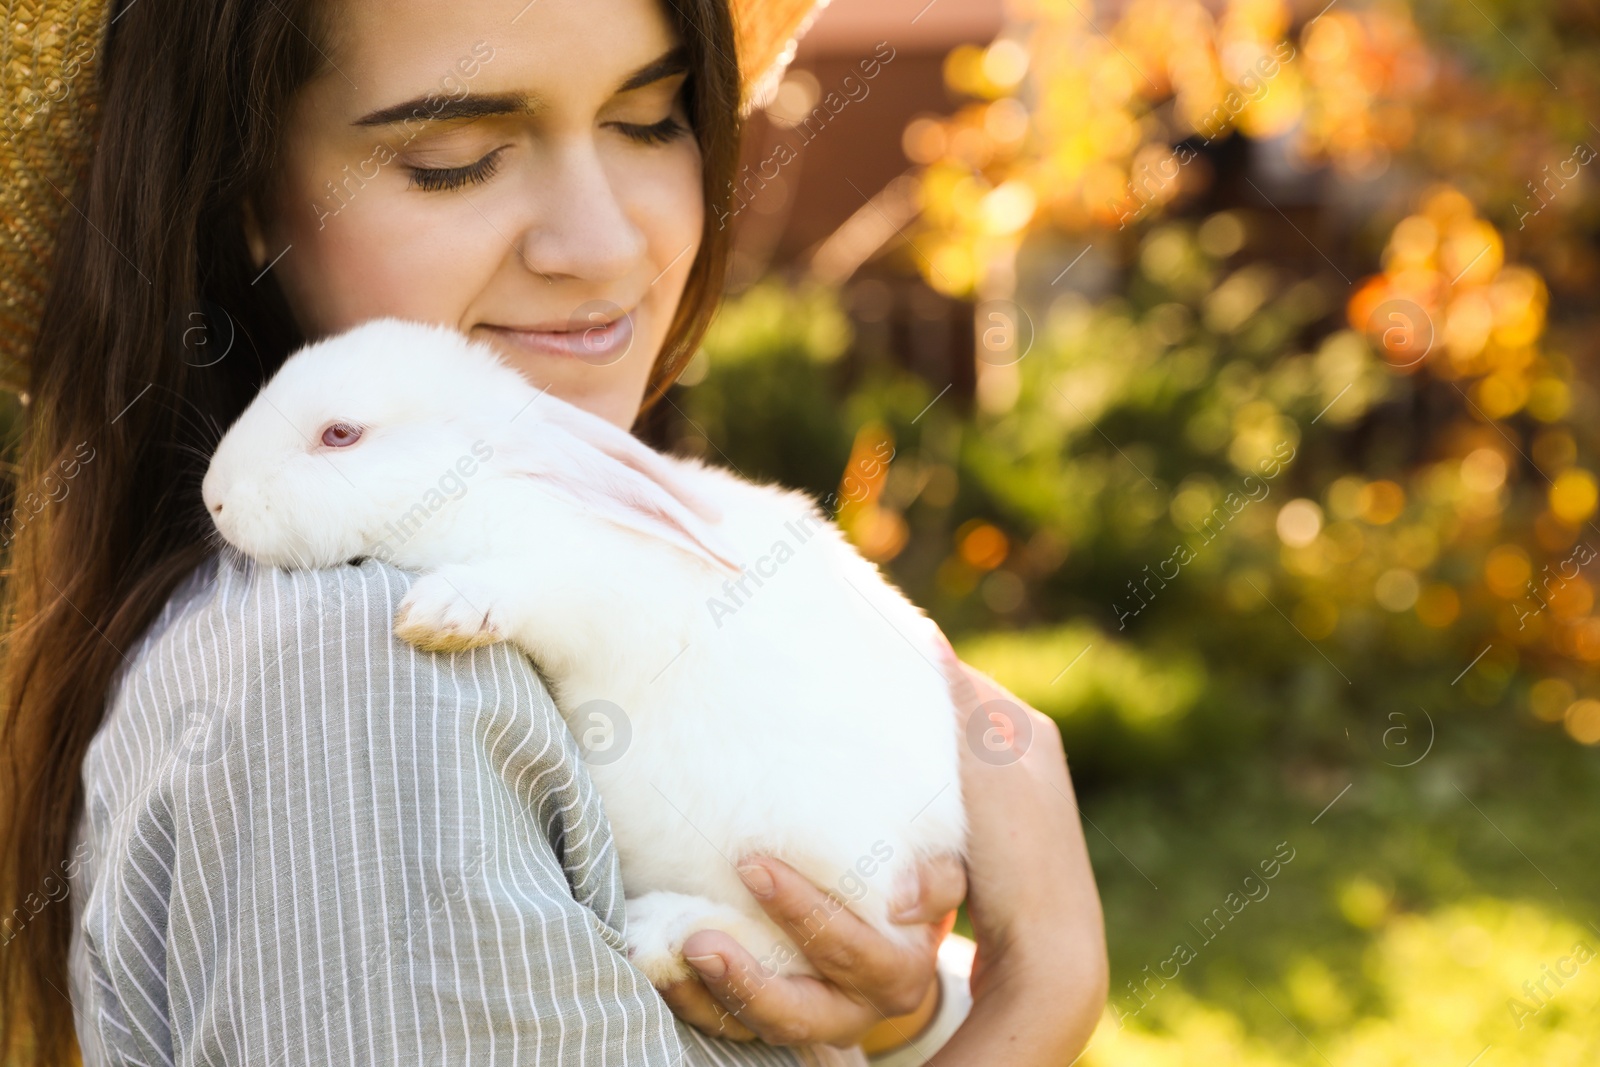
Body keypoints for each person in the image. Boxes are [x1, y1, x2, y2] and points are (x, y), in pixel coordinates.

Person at [0, 0, 1108, 1064]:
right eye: (453, 157)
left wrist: (893, 1011)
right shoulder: (359, 684)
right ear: (243, 192)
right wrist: (1035, 998)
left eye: (648, 120)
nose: (599, 243)